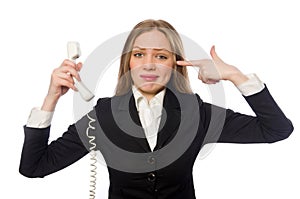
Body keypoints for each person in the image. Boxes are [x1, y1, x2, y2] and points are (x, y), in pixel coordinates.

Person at [19, 19, 293, 199]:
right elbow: (34, 166)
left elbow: (276, 129)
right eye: (139, 54)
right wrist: (52, 97)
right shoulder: (102, 116)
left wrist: (235, 75)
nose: (149, 64)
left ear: (175, 63)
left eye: (161, 56)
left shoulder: (197, 113)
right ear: (128, 62)